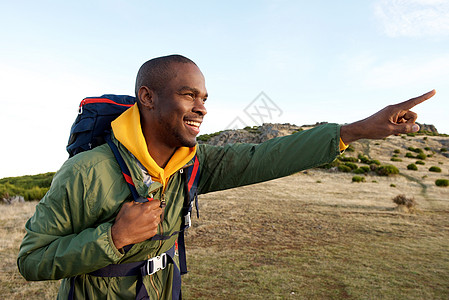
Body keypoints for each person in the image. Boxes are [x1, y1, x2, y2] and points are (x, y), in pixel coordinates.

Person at [17, 54, 436, 299]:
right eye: (188, 95)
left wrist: (355, 130)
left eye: (204, 98)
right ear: (147, 97)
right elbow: (31, 261)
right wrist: (114, 239)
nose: (201, 107)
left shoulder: (195, 162)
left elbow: (264, 156)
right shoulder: (86, 173)